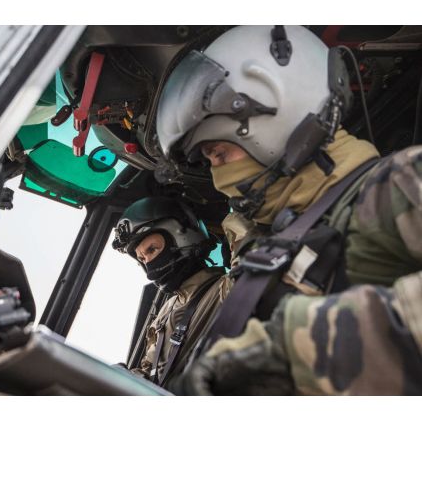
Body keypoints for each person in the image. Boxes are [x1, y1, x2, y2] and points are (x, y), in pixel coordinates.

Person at [155, 25, 422, 394]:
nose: (219, 179)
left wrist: (289, 353)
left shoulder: (400, 184)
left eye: (219, 153)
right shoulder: (277, 238)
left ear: (277, 119)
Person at [112, 196, 241, 387]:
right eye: (142, 258)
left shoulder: (225, 290)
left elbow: (247, 237)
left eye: (152, 249)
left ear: (182, 237)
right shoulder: (165, 311)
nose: (148, 263)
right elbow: (151, 373)